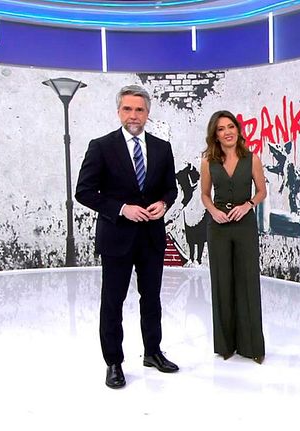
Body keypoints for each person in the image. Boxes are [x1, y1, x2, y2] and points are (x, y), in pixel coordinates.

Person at [75, 85, 179, 389]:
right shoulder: (101, 146)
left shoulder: (162, 148)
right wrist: (122, 209)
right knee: (113, 302)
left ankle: (153, 353)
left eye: (139, 110)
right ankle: (114, 363)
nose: (134, 115)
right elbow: (84, 192)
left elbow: (170, 188)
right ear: (119, 111)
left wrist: (164, 204)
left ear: (148, 113)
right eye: (128, 109)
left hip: (151, 237)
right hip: (116, 238)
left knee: (152, 298)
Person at [200, 110, 267, 364]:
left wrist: (248, 205)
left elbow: (261, 192)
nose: (227, 132)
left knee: (247, 281)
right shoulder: (208, 161)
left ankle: (252, 347)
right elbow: (205, 194)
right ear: (215, 135)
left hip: (244, 225)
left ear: (238, 130)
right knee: (222, 282)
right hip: (218, 226)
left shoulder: (252, 159)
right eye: (221, 129)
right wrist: (214, 212)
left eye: (230, 126)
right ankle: (225, 346)